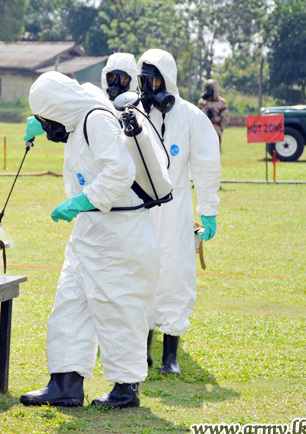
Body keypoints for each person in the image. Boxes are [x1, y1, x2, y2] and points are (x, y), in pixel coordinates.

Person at [18, 71, 161, 408]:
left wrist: (82, 200)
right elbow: (86, 150)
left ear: (58, 107)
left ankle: (126, 389)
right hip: (93, 230)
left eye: (46, 118)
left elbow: (120, 171)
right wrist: (43, 124)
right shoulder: (83, 114)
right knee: (70, 302)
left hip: (119, 233)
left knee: (119, 307)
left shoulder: (96, 119)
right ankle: (65, 383)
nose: (47, 125)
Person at [136, 49, 221, 375]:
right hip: (140, 210)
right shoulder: (135, 115)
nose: (150, 86)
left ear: (168, 79)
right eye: (145, 80)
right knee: (140, 275)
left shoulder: (189, 116)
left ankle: (170, 354)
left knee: (175, 275)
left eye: (156, 79)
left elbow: (206, 164)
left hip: (175, 212)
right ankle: (141, 350)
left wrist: (208, 209)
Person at [197, 79, 230, 152]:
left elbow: (225, 120)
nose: (208, 91)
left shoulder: (221, 103)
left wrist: (214, 118)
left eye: (210, 89)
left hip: (215, 134)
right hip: (202, 134)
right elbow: (196, 118)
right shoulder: (202, 102)